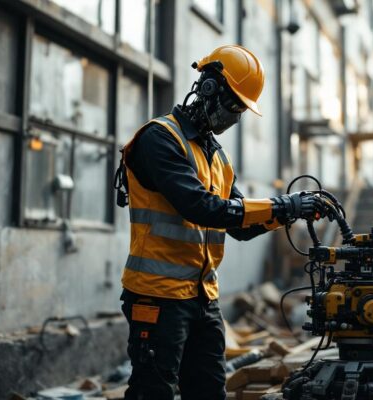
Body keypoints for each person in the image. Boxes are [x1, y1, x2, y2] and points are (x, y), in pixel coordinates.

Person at [113, 45, 325, 399]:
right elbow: (202, 207)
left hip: (202, 297)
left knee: (209, 390)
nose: (235, 117)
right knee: (154, 390)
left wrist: (286, 213)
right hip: (157, 295)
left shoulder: (216, 157)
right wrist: (283, 204)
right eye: (234, 105)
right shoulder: (159, 139)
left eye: (242, 110)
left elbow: (239, 223)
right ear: (209, 89)